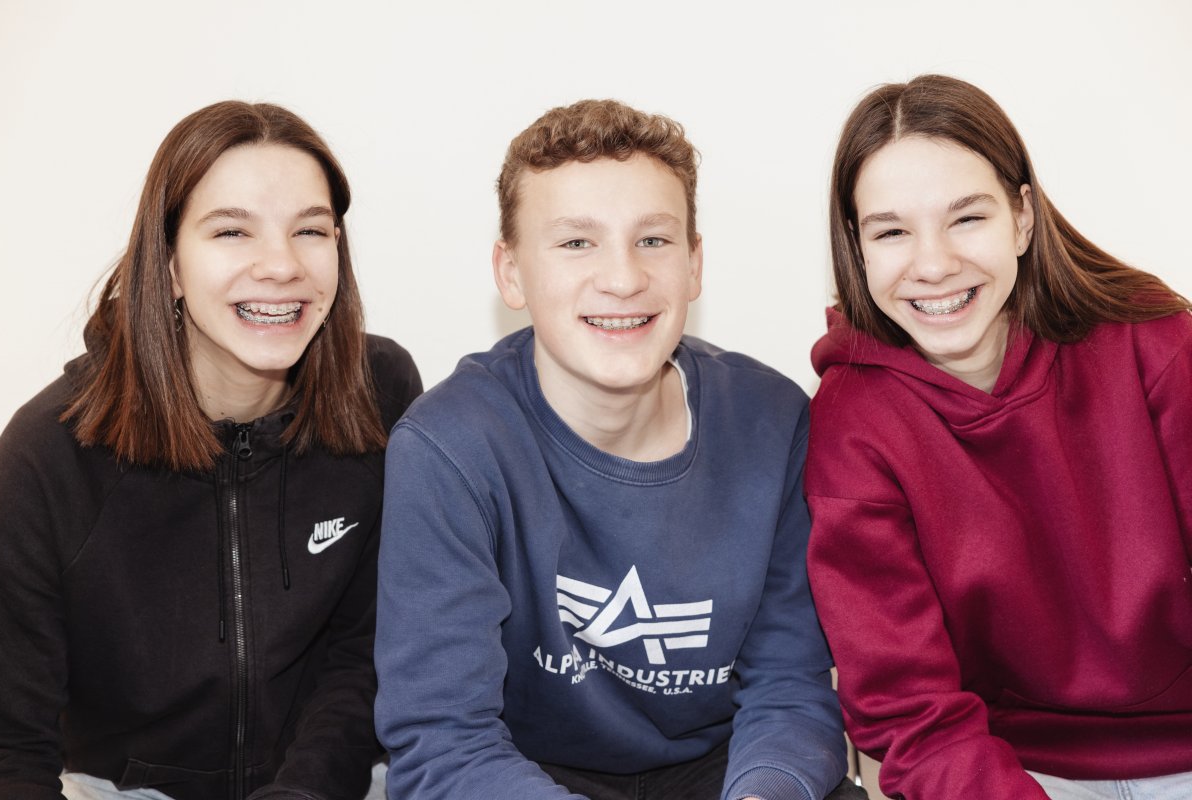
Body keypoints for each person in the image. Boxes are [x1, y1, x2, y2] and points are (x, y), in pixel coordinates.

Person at [373, 98, 861, 800]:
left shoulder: (773, 422)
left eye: (653, 240)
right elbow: (443, 739)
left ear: (694, 264)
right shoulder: (448, 447)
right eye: (577, 243)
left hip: (727, 769)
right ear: (510, 272)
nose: (624, 278)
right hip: (519, 775)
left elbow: (789, 688)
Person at [0, 101, 422, 800]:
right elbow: (9, 749)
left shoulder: (382, 392)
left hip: (329, 783)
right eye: (231, 231)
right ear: (169, 264)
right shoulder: (47, 454)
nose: (281, 266)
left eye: (310, 230)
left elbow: (364, 653)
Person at [805, 73, 1192, 800]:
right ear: (857, 248)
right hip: (1007, 769)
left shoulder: (1155, 342)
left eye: (967, 218)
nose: (933, 264)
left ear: (1022, 217)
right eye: (892, 231)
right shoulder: (852, 421)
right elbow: (907, 707)